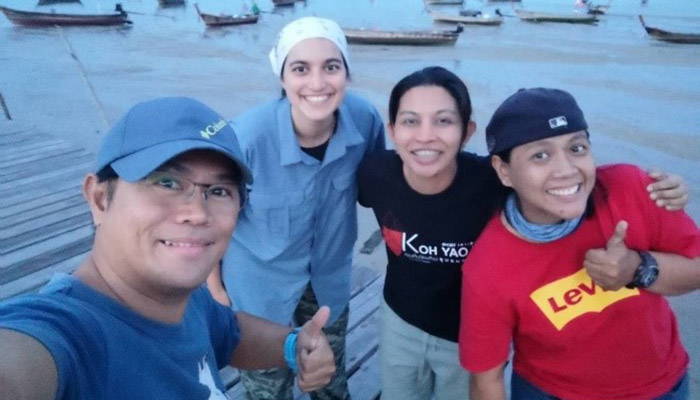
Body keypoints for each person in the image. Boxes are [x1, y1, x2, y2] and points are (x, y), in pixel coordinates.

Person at [357, 67, 690, 400]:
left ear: (466, 132)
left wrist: (656, 204)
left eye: (443, 120)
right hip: (402, 319)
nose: (425, 136)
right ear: (392, 130)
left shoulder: (497, 185)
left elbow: (566, 182)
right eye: (411, 121)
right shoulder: (375, 174)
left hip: (462, 333)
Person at [0, 97, 336, 400]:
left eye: (219, 191)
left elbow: (229, 334)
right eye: (166, 182)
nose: (197, 213)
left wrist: (294, 345)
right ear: (100, 198)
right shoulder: (68, 335)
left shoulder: (188, 301)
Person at [459, 88, 700, 400]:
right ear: (504, 171)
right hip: (551, 392)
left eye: (577, 148)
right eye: (540, 155)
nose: (567, 170)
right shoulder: (489, 265)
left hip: (663, 387)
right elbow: (486, 380)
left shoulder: (632, 190)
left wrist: (639, 268)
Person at [207, 17, 385, 400]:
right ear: (282, 76)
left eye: (331, 67)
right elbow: (210, 219)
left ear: (347, 73)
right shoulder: (245, 138)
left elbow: (380, 189)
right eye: (301, 68)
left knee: (329, 380)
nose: (318, 83)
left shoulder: (365, 120)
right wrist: (216, 292)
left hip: (327, 281)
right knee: (268, 387)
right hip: (258, 290)